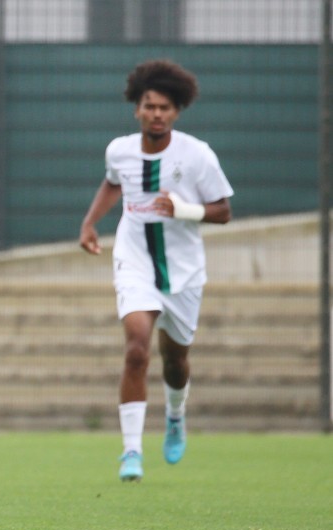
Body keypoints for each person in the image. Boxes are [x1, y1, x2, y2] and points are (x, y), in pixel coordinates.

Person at [78, 59, 233, 483]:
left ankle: (176, 415)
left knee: (176, 360)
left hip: (183, 271)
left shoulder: (197, 154)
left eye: (166, 107)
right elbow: (113, 182)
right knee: (136, 349)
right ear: (138, 109)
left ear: (176, 111)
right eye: (150, 106)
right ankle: (131, 451)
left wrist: (184, 209)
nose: (157, 113)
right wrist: (91, 222)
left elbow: (224, 211)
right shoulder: (120, 149)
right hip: (135, 260)